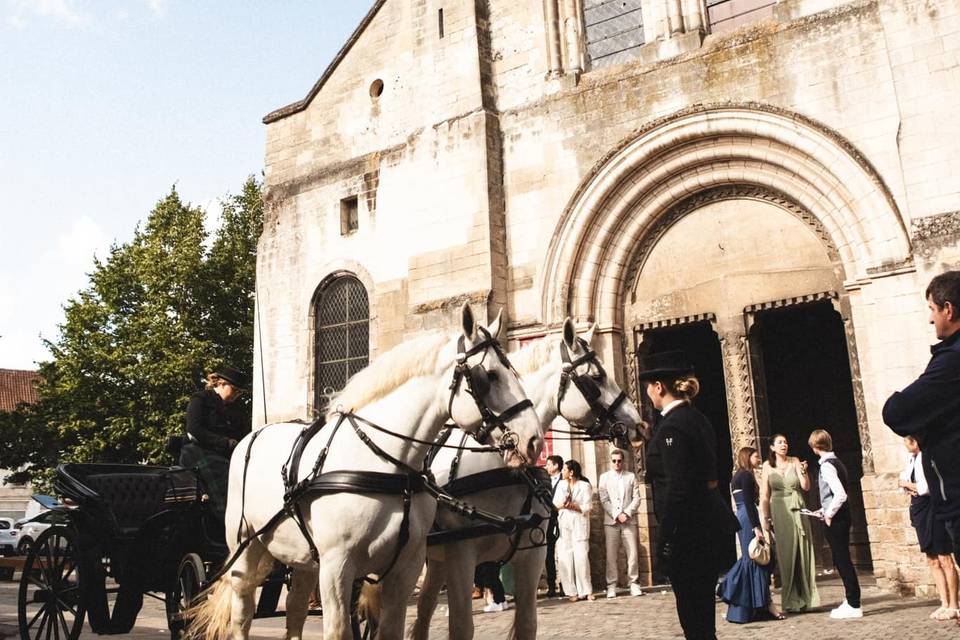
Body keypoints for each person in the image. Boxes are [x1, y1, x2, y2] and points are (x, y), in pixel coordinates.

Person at [642, 350, 731, 640]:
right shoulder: (697, 418)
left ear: (659, 387)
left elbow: (678, 487)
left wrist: (665, 539)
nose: (647, 392)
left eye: (649, 386)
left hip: (687, 534)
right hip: (707, 526)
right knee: (703, 619)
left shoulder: (672, 426)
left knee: (693, 621)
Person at [884, 271, 960, 571]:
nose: (930, 319)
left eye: (932, 309)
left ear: (948, 310)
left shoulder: (951, 359)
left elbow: (897, 412)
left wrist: (925, 420)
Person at [180, 366, 251, 541]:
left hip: (228, 453)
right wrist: (225, 442)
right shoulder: (201, 399)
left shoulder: (237, 410)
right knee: (228, 476)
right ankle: (228, 524)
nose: (237, 395)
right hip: (198, 451)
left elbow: (244, 433)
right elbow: (194, 429)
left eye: (240, 393)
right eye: (234, 390)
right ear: (221, 384)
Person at [900, 435, 959, 621]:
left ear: (915, 442)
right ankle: (944, 602)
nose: (905, 445)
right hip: (919, 510)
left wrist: (907, 485)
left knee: (944, 556)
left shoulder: (926, 458)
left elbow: (924, 488)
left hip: (932, 508)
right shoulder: (911, 459)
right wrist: (908, 486)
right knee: (932, 558)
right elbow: (902, 482)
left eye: (906, 442)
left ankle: (954, 604)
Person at [719, 447, 781, 623]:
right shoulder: (745, 476)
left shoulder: (737, 476)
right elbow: (747, 501)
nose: (758, 458)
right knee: (754, 558)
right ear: (747, 457)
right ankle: (731, 589)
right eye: (755, 456)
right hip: (747, 517)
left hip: (742, 515)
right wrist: (756, 527)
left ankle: (751, 607)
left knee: (752, 559)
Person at [759, 434, 819, 612]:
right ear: (772, 447)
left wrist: (803, 472)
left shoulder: (795, 461)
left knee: (803, 550)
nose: (784, 444)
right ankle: (791, 600)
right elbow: (764, 494)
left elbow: (806, 486)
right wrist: (765, 518)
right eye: (780, 442)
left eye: (785, 442)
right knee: (786, 554)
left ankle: (808, 598)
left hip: (798, 507)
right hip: (779, 510)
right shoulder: (767, 466)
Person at [808, 429, 862, 619]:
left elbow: (840, 494)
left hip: (837, 518)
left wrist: (829, 514)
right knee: (841, 558)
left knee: (842, 559)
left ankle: (854, 603)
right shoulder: (836, 462)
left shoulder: (827, 466)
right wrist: (823, 510)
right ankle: (851, 600)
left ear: (815, 446)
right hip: (840, 516)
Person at [598, 448, 643, 598]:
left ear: (623, 461)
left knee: (633, 553)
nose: (617, 463)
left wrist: (627, 513)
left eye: (619, 461)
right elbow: (604, 499)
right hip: (611, 521)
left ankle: (634, 582)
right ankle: (611, 585)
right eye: (614, 461)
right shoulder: (604, 478)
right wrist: (617, 514)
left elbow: (637, 498)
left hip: (628, 520)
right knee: (611, 554)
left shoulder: (630, 477)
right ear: (610, 462)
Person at [554, 459, 594, 602]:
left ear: (571, 472)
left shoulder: (584, 486)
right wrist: (564, 505)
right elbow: (555, 504)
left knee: (581, 557)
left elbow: (587, 506)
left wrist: (574, 506)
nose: (562, 472)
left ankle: (586, 590)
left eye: (565, 470)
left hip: (579, 523)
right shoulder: (561, 485)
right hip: (565, 524)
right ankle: (571, 591)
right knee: (565, 557)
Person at [544, 454, 564, 598]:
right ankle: (551, 585)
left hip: (563, 519)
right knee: (549, 554)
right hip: (549, 521)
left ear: (556, 466)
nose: (547, 467)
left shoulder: (565, 480)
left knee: (563, 554)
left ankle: (564, 584)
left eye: (549, 464)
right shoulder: (545, 481)